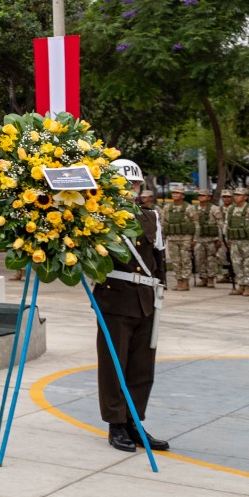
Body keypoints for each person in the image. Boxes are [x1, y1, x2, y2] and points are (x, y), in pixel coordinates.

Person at [92, 167, 170, 452]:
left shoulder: (152, 217)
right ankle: (116, 424)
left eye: (134, 184)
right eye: (125, 184)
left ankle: (135, 421)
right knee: (114, 365)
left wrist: (160, 290)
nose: (131, 189)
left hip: (146, 301)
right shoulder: (100, 218)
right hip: (115, 300)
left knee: (142, 367)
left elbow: (158, 260)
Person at [222, 187, 249, 297]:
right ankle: (240, 285)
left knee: (248, 265)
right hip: (234, 241)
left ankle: (248, 287)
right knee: (236, 265)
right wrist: (227, 240)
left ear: (245, 197)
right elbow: (227, 225)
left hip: (247, 242)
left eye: (239, 195)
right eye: (235, 195)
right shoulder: (231, 209)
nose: (236, 197)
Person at [159, 183, 195, 291]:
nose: (175, 194)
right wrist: (163, 237)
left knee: (185, 260)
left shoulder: (189, 208)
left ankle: (185, 282)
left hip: (185, 238)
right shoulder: (167, 208)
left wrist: (194, 239)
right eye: (174, 193)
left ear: (182, 195)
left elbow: (195, 223)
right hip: (172, 238)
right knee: (175, 261)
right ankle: (179, 281)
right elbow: (163, 223)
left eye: (177, 193)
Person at [194, 191, 225, 288]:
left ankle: (211, 278)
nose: (201, 197)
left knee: (211, 259)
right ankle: (203, 278)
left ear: (209, 197)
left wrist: (220, 239)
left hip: (212, 239)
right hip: (199, 239)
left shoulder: (214, 209)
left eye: (203, 195)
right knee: (200, 259)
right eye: (199, 195)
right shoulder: (194, 209)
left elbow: (220, 225)